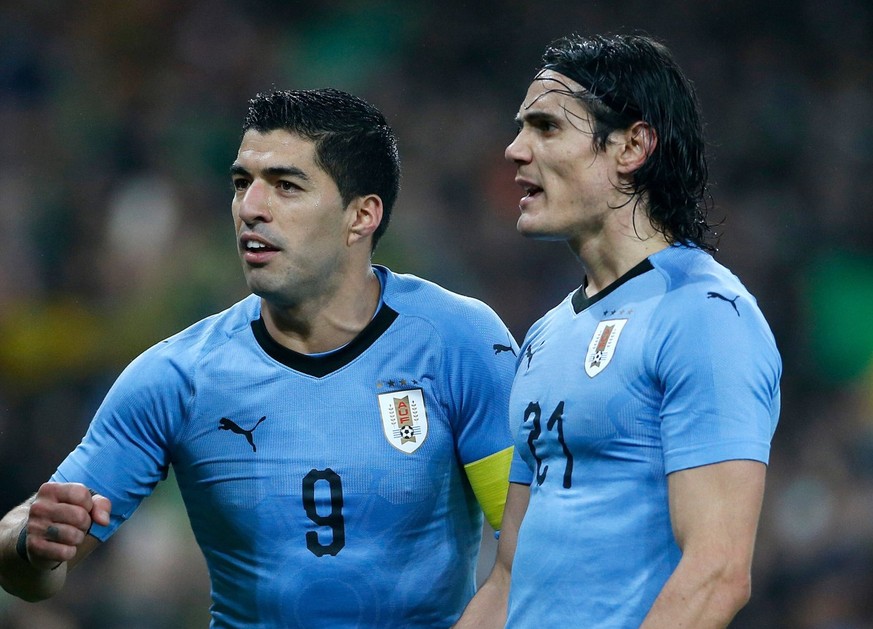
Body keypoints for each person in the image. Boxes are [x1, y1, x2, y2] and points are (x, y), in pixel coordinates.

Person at [0, 88, 518, 627]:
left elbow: (528, 555)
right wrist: (30, 544)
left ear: (361, 216)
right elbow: (31, 570)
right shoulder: (179, 377)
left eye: (286, 186)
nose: (250, 209)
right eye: (242, 183)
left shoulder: (461, 344)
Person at [455, 33, 781, 628]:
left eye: (546, 127)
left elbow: (717, 573)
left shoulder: (705, 315)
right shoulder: (545, 336)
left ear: (631, 145)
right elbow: (509, 577)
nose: (514, 150)